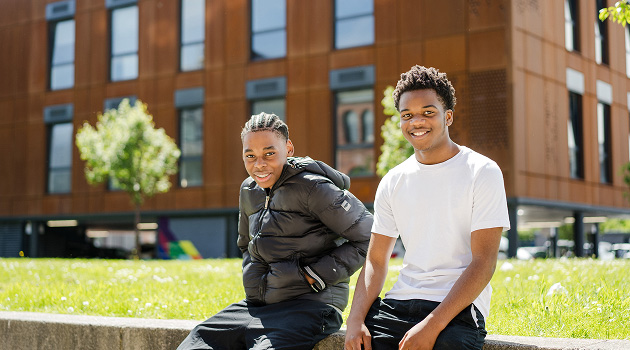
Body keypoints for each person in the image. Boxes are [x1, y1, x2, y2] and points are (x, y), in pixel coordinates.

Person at [344, 65, 510, 350]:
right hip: (400, 303)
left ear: (448, 117)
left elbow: (484, 262)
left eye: (428, 112)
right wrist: (355, 320)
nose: (416, 121)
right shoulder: (393, 181)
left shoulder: (482, 171)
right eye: (407, 115)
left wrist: (432, 325)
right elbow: (376, 261)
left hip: (457, 309)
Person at [177, 112, 373, 350]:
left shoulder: (314, 188)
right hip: (256, 307)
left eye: (269, 153)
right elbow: (245, 245)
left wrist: (313, 275)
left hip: (309, 307)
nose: (259, 164)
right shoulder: (249, 190)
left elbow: (369, 237)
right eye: (250, 155)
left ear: (288, 148)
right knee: (193, 345)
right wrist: (258, 281)